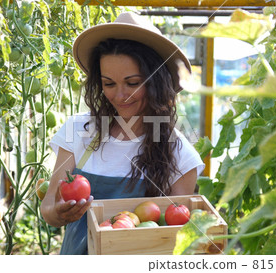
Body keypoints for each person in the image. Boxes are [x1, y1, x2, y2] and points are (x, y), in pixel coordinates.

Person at [40, 12, 204, 255]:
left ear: (156, 81)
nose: (120, 96)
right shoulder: (78, 131)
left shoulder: (180, 154)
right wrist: (59, 214)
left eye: (132, 82)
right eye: (109, 83)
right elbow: (48, 208)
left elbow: (175, 240)